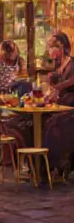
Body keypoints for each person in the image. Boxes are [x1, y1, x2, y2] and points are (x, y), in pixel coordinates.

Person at [31, 32, 74, 176]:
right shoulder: (57, 64)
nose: (49, 51)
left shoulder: (72, 63)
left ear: (62, 48)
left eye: (52, 47)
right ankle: (37, 163)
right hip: (61, 105)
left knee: (54, 123)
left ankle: (51, 163)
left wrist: (58, 87)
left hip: (71, 107)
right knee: (35, 121)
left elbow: (70, 82)